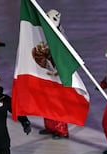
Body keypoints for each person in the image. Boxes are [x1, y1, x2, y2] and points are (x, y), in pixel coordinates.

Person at [38, 9, 69, 139]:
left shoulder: (60, 37)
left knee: (57, 102)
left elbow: (63, 56)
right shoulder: (46, 34)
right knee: (46, 100)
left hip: (56, 74)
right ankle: (50, 126)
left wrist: (59, 70)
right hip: (47, 71)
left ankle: (62, 130)